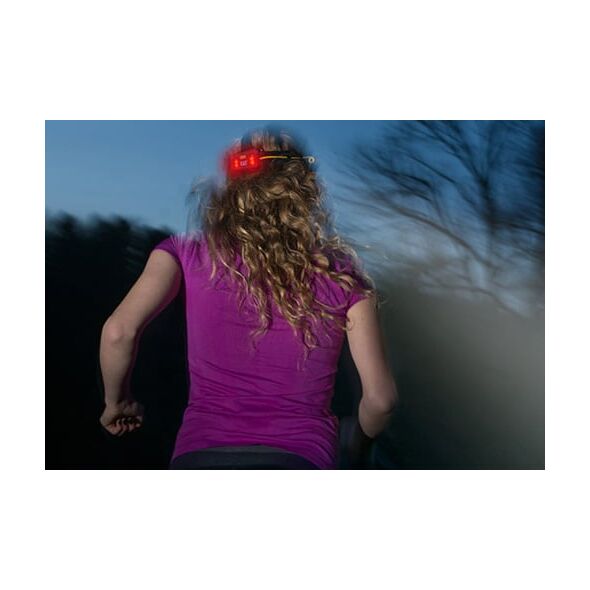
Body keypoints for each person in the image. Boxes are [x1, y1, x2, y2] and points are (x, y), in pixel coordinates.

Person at [98, 126, 398, 469]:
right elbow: (381, 400)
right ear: (305, 188)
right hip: (301, 459)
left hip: (199, 457)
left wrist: (117, 403)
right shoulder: (343, 274)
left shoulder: (184, 251)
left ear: (231, 185)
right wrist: (358, 447)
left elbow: (118, 332)